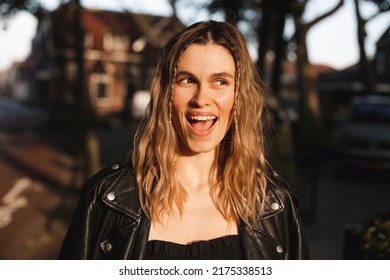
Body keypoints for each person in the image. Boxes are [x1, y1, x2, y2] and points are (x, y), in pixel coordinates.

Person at [58, 20, 309, 260]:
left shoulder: (275, 207)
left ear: (239, 97)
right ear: (167, 93)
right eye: (187, 80)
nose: (201, 98)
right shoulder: (104, 201)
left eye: (220, 82)